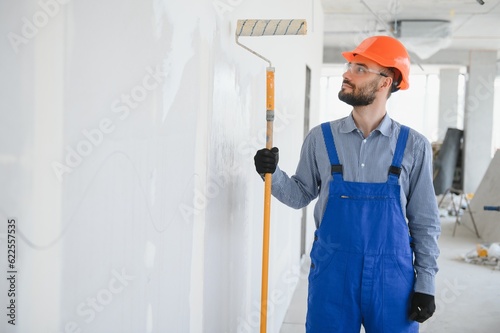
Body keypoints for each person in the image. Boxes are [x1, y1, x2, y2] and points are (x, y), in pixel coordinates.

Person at [254, 35, 440, 332]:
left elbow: (425, 222)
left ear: (386, 81)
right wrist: (272, 174)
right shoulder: (320, 138)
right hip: (332, 274)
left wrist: (426, 282)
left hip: (392, 278)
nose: (346, 73)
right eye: (349, 66)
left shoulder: (414, 146)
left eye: (360, 68)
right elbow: (300, 195)